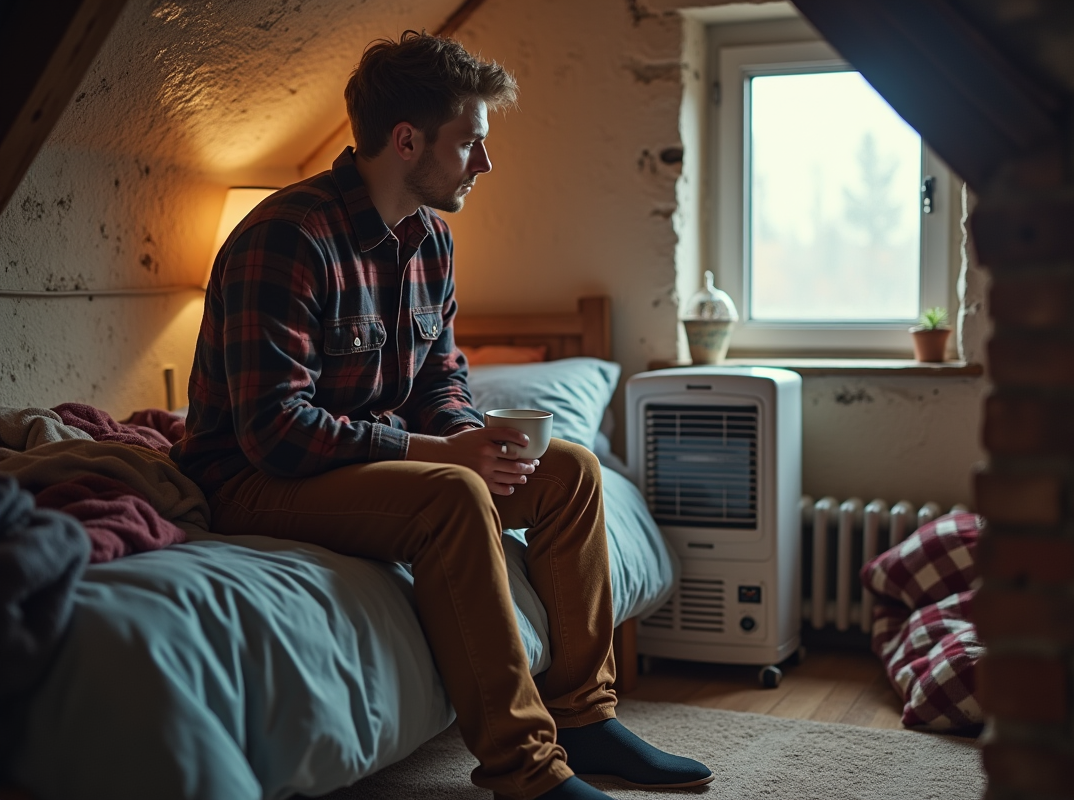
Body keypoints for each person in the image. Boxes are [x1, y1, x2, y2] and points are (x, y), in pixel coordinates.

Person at [171, 31, 713, 800]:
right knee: (450, 495)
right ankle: (525, 768)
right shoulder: (286, 238)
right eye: (471, 144)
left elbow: (440, 378)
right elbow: (274, 432)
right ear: (406, 140)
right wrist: (441, 455)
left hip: (370, 462)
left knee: (572, 474)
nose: (485, 163)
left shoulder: (430, 241)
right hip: (253, 478)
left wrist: (467, 432)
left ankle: (585, 719)